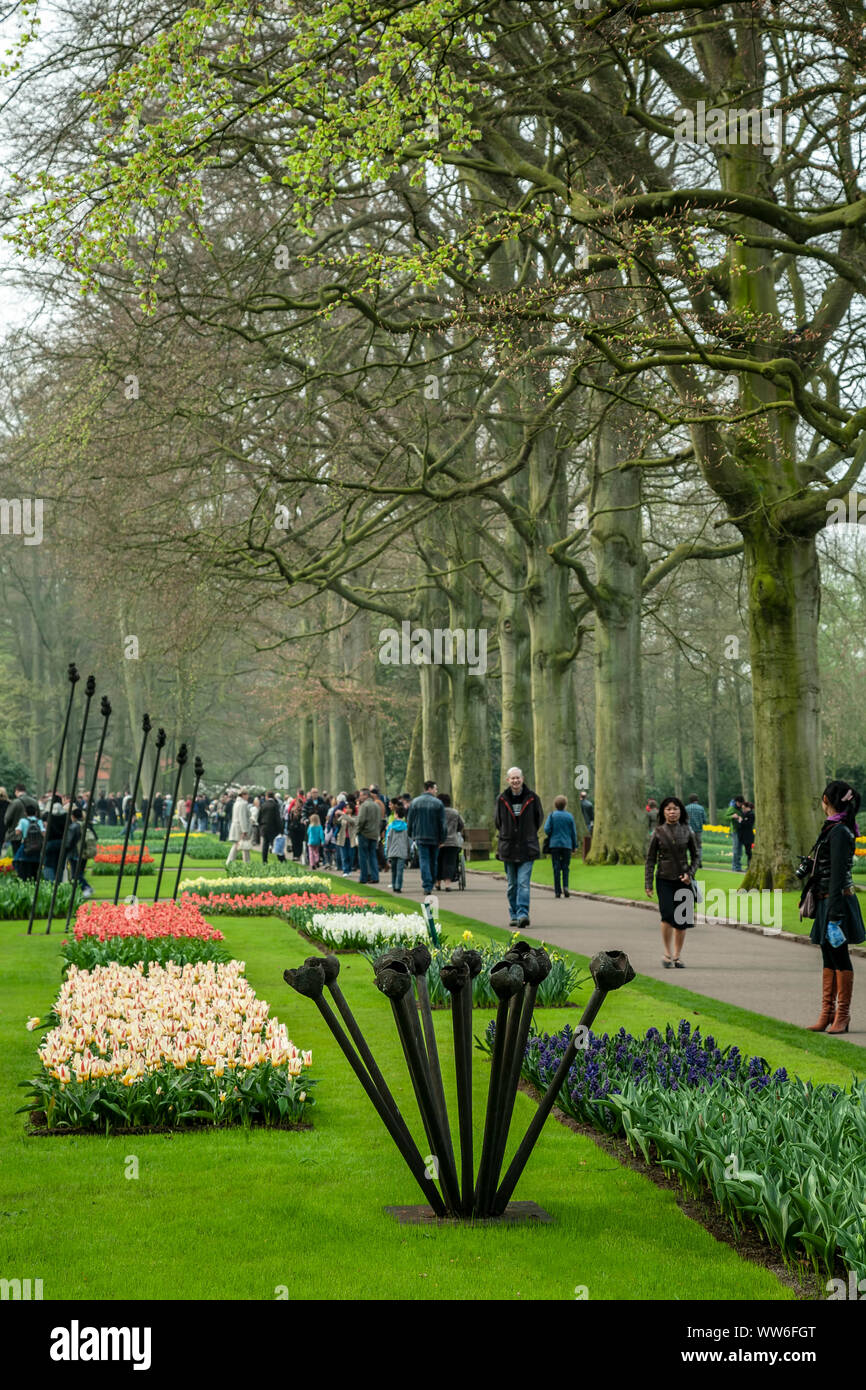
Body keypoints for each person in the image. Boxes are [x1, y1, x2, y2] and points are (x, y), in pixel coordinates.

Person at [806, 779, 865, 1034]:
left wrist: (835, 913)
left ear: (826, 800)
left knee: (839, 955)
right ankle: (826, 1012)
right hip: (825, 899)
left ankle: (843, 1015)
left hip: (836, 900)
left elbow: (839, 873)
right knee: (827, 954)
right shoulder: (832, 828)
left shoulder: (840, 830)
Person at [645, 796, 699, 969]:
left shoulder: (687, 831)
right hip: (664, 879)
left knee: (682, 921)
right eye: (668, 809)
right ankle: (667, 953)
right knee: (667, 917)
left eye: (675, 809)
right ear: (663, 812)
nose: (672, 812)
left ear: (680, 811)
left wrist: (690, 873)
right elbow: (650, 859)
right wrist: (648, 883)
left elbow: (696, 856)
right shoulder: (658, 832)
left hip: (683, 881)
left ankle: (677, 955)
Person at [494, 767, 543, 930]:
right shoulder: (502, 799)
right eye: (512, 778)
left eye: (518, 778)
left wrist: (528, 833)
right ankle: (514, 914)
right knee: (512, 885)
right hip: (508, 848)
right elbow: (498, 821)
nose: (515, 781)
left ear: (522, 779)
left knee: (523, 883)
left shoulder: (532, 798)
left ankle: (523, 914)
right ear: (508, 780)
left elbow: (539, 818)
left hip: (527, 848)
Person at [407, 780, 447, 896]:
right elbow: (442, 823)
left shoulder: (415, 802)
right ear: (429, 788)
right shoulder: (438, 803)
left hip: (420, 835)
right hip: (434, 836)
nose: (436, 791)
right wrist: (442, 838)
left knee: (424, 860)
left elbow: (410, 821)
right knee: (433, 861)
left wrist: (410, 833)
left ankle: (427, 884)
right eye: (435, 789)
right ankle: (431, 880)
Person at [543, 795, 579, 898]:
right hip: (567, 845)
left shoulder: (552, 815)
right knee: (566, 867)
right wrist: (574, 845)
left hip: (554, 844)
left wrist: (552, 833)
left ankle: (557, 891)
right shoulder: (569, 816)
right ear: (565, 805)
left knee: (556, 867)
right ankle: (566, 886)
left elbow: (546, 829)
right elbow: (573, 832)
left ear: (555, 805)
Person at [61, 806, 95, 898]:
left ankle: (87, 887)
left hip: (75, 853)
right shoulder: (85, 825)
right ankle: (80, 891)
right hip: (84, 852)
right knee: (79, 873)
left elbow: (69, 842)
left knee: (75, 874)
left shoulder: (74, 826)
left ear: (73, 816)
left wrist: (64, 851)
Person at [435, 792, 465, 891]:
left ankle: (437, 883)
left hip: (438, 841)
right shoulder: (455, 812)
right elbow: (461, 824)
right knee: (450, 862)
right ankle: (448, 884)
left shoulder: (436, 813)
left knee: (438, 861)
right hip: (452, 841)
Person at [356, 789, 382, 884]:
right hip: (374, 833)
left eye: (361, 795)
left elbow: (361, 820)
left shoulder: (364, 806)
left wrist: (358, 831)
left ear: (366, 796)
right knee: (372, 855)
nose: (360, 797)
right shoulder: (376, 805)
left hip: (365, 833)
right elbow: (380, 820)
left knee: (363, 856)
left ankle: (364, 877)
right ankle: (375, 876)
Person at [385, 803, 409, 892]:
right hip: (402, 851)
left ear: (396, 814)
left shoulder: (391, 826)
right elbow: (408, 840)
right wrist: (408, 851)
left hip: (392, 851)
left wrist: (386, 851)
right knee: (400, 871)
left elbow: (388, 839)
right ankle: (399, 886)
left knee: (393, 870)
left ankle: (394, 885)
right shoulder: (406, 827)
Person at [226, 790, 253, 865]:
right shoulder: (243, 804)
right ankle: (230, 863)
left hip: (237, 827)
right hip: (240, 828)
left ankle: (246, 864)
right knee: (240, 846)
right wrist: (244, 830)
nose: (248, 796)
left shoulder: (237, 803)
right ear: (243, 795)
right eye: (247, 794)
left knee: (241, 846)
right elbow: (242, 818)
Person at [258, 790, 282, 864]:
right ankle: (281, 860)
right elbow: (278, 818)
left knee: (265, 844)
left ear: (266, 797)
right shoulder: (275, 805)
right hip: (273, 828)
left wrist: (261, 825)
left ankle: (264, 861)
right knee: (276, 844)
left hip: (264, 827)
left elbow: (259, 817)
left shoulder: (263, 805)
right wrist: (280, 829)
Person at [685, 794, 706, 867]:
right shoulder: (701, 808)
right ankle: (698, 862)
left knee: (687, 846)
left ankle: (687, 862)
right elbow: (704, 820)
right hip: (698, 830)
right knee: (698, 847)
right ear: (697, 800)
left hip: (688, 830)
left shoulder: (686, 808)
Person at [727, 795, 746, 871]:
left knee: (740, 849)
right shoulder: (732, 808)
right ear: (737, 802)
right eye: (740, 803)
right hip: (735, 831)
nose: (741, 805)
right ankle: (735, 867)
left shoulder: (740, 808)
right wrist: (732, 816)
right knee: (736, 849)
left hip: (740, 831)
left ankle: (738, 866)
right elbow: (725, 817)